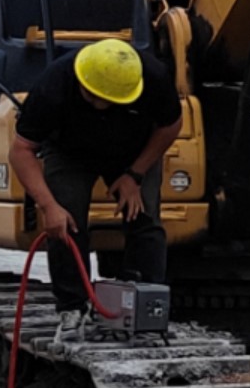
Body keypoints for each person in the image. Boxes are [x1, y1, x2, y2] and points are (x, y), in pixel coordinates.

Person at [11, 34, 179, 312]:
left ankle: (146, 306)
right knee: (65, 224)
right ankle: (72, 306)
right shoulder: (54, 85)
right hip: (70, 152)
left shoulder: (153, 78)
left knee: (145, 220)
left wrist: (135, 175)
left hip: (132, 151)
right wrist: (49, 206)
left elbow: (170, 125)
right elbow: (21, 150)